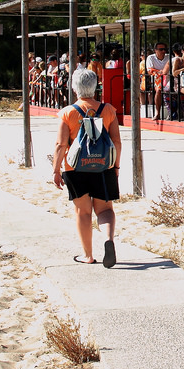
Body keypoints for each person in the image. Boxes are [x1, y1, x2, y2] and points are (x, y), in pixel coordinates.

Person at [53, 68, 122, 267]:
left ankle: (88, 255)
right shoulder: (108, 110)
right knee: (105, 209)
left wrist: (56, 170)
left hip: (76, 169)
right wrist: (115, 167)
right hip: (104, 167)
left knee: (83, 212)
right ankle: (108, 239)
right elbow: (117, 141)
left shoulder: (68, 113)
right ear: (95, 87)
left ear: (74, 88)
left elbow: (61, 145)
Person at [146, 43, 171, 119]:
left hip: (168, 78)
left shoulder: (169, 57)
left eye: (164, 49)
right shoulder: (150, 58)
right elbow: (150, 71)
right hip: (157, 78)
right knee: (158, 90)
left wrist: (162, 72)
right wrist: (160, 72)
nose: (163, 51)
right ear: (155, 50)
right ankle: (157, 113)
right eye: (161, 49)